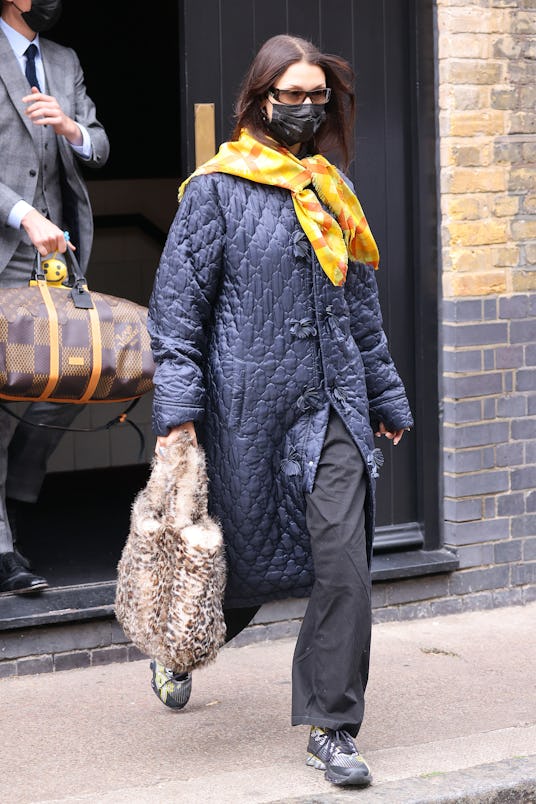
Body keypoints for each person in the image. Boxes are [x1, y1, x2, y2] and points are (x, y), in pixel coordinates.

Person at [148, 34, 413, 789]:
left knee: (343, 569)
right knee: (236, 574)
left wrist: (385, 396)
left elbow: (361, 312)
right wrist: (179, 412)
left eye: (315, 97)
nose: (302, 109)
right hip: (245, 413)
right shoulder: (216, 190)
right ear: (258, 99)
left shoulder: (335, 190)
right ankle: (181, 647)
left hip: (333, 408)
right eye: (288, 95)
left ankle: (332, 726)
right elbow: (176, 317)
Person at [0, 0, 109, 594]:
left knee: (68, 379)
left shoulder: (63, 61)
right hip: (6, 250)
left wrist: (72, 128)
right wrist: (21, 214)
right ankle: (2, 550)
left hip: (62, 253)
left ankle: (14, 498)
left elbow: (100, 143)